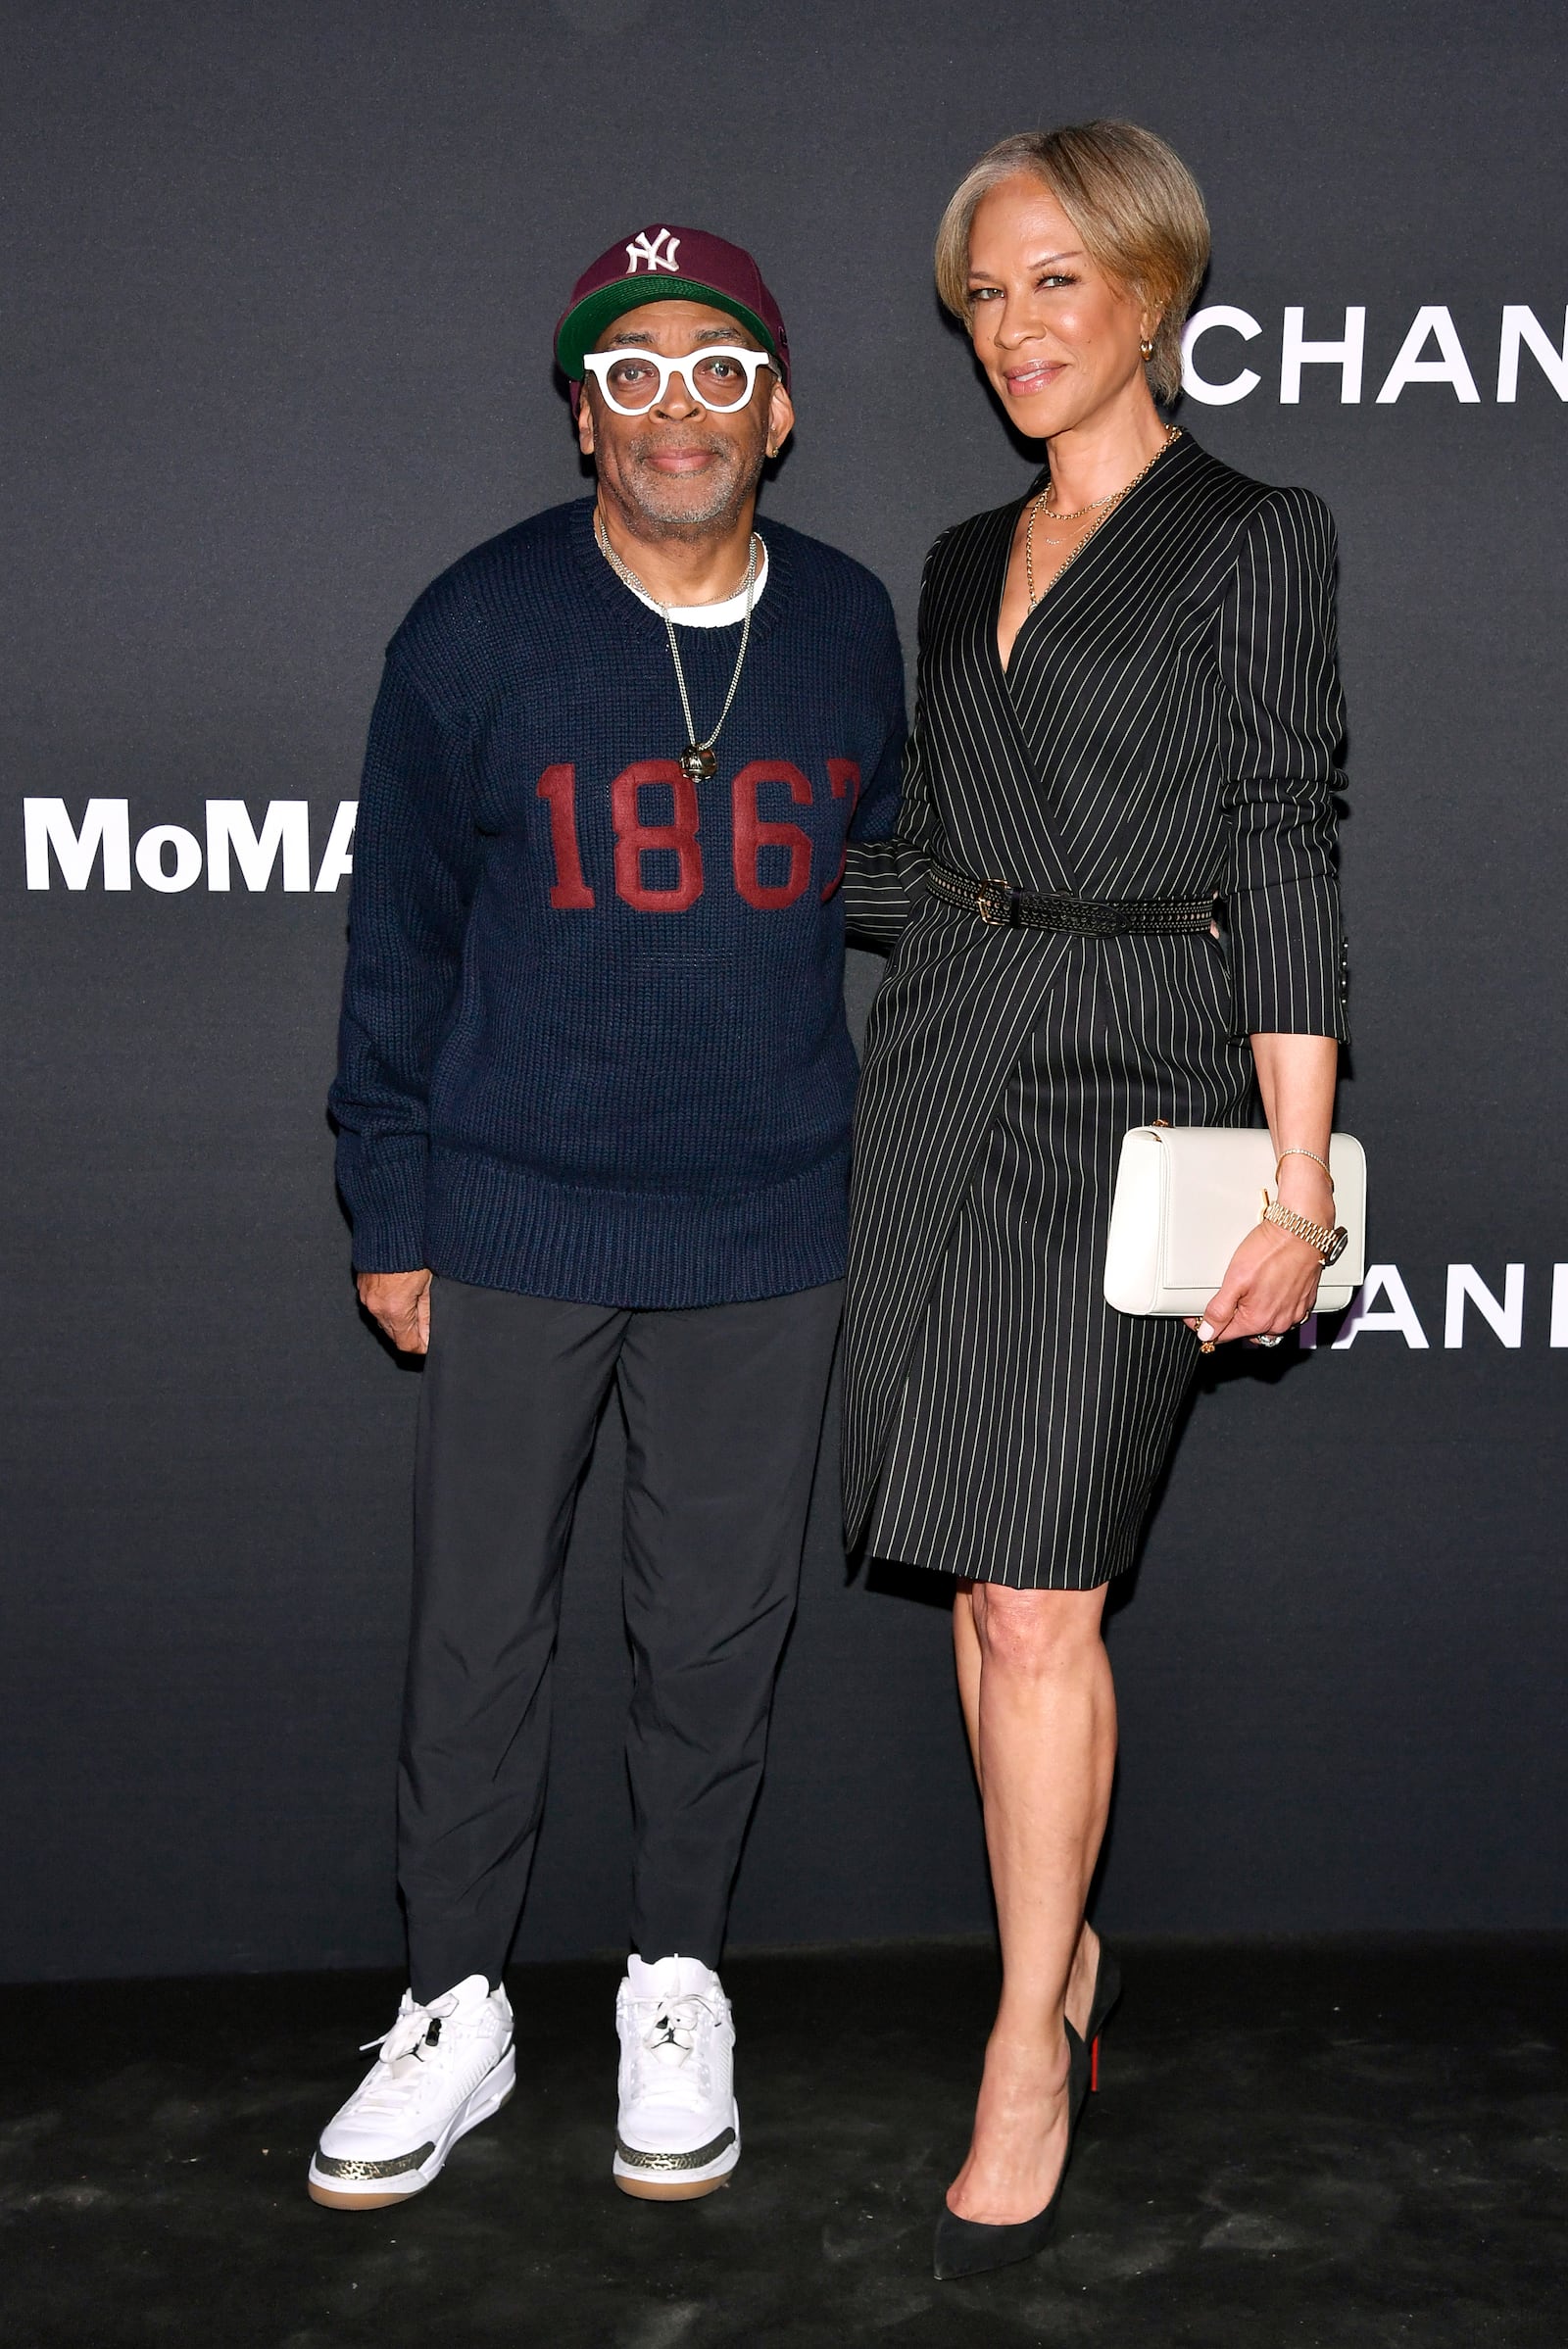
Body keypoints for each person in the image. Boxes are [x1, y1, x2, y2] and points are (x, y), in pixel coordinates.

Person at [317, 225, 905, 2211]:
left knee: (714, 1632)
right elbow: (391, 941)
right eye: (630, 374)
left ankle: (672, 1979)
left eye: (714, 370)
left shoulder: (841, 627)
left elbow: (891, 883)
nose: (674, 408)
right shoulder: (471, 627)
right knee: (477, 1638)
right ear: (581, 415)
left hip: (765, 1217)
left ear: (780, 410)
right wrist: (385, 1195)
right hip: (508, 1210)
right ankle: (453, 2003)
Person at [841, 122, 1349, 2279]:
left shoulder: (1253, 533)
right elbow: (910, 830)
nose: (1013, 330)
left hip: (1133, 1067)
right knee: (976, 1584)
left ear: (1147, 290)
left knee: (1045, 1593)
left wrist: (1300, 1177)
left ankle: (1024, 2044)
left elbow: (1287, 846)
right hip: (944, 1053)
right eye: (981, 295)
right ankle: (1065, 1954)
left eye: (1053, 282)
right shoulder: (959, 557)